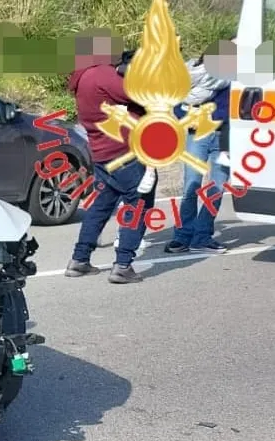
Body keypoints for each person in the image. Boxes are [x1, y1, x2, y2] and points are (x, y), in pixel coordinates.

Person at [64, 32, 154, 284]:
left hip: (102, 152)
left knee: (101, 206)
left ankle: (79, 259)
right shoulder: (101, 74)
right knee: (138, 205)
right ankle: (123, 264)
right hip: (125, 151)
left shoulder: (81, 78)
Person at [166, 41, 234, 255]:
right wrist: (186, 118)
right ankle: (183, 236)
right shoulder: (193, 76)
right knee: (191, 185)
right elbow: (177, 104)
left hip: (226, 136)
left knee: (217, 187)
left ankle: (203, 236)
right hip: (198, 134)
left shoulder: (235, 77)